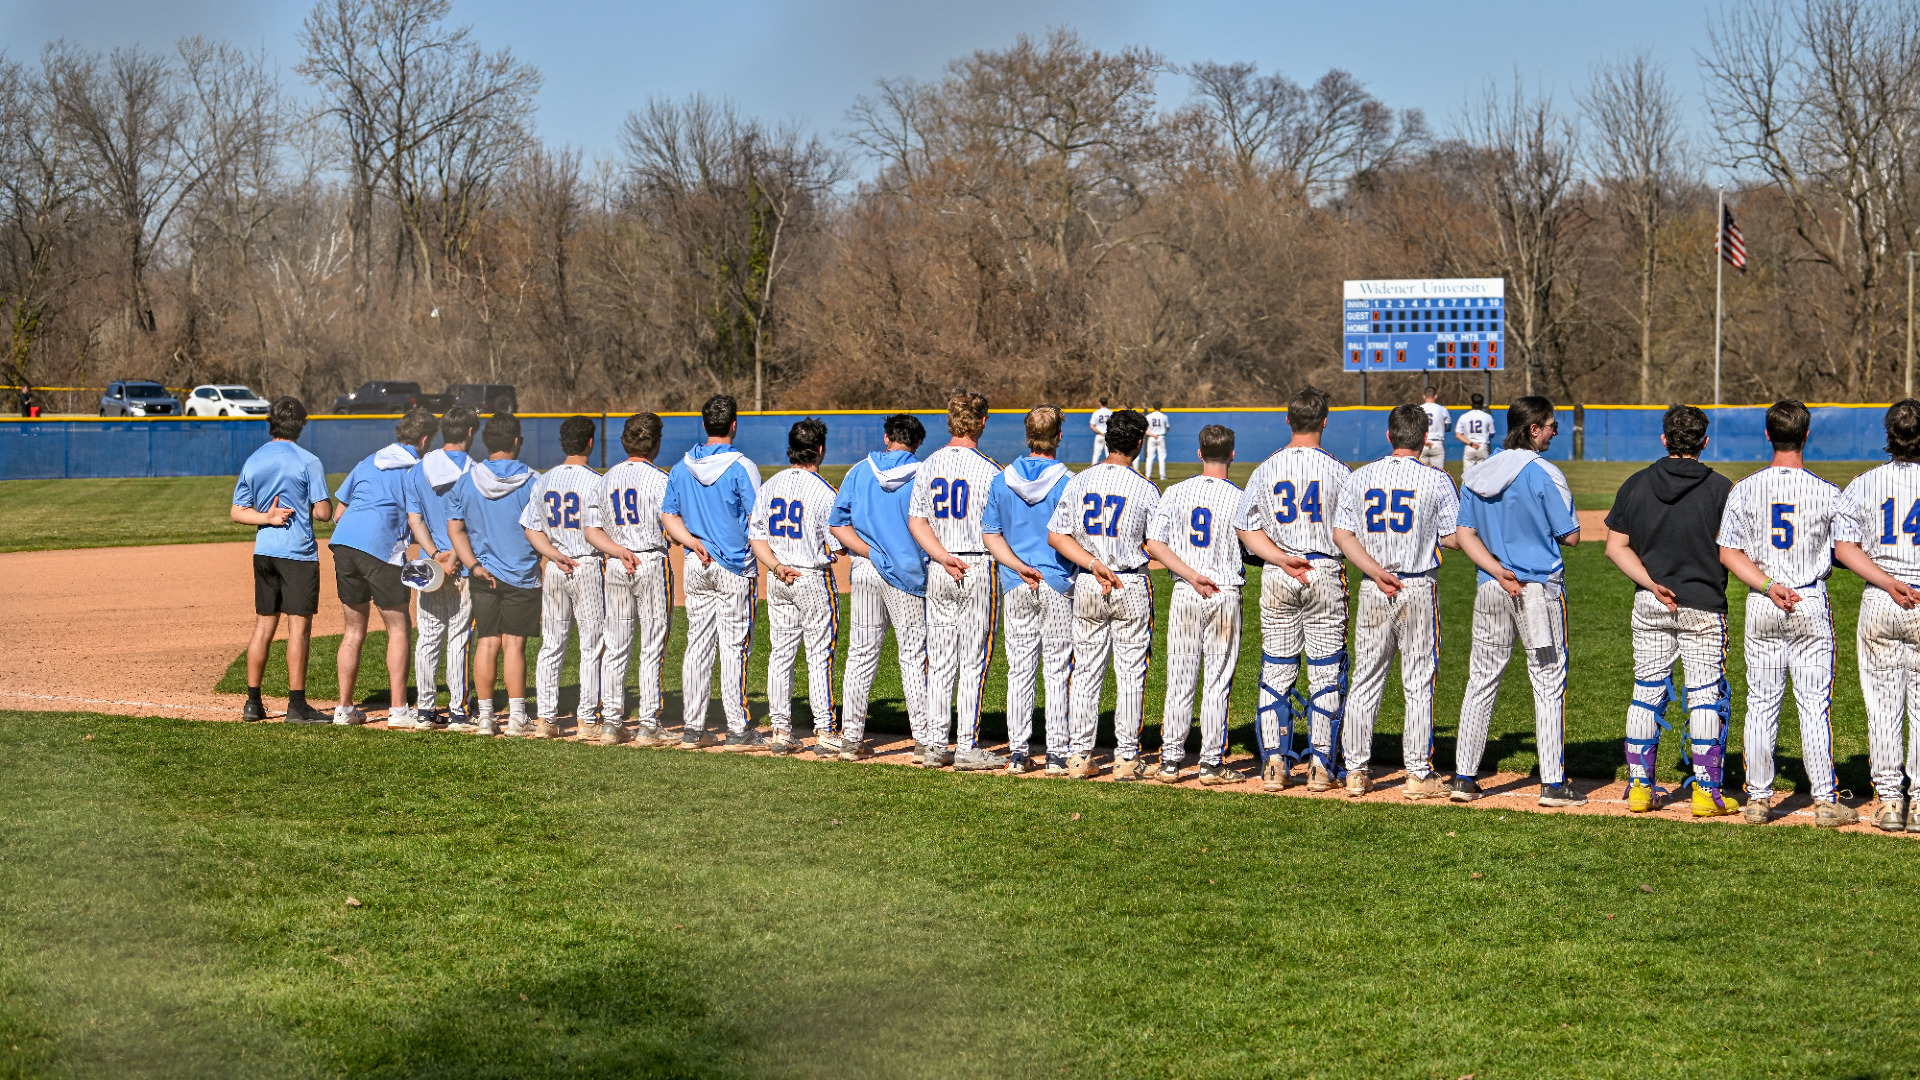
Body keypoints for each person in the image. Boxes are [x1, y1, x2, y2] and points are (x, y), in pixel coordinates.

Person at [1718, 401, 1862, 826]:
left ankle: (1758, 800)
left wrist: (1766, 584)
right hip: (1808, 601)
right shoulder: (1828, 492)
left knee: (1762, 704)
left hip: (1763, 599)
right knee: (1813, 705)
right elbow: (1845, 550)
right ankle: (1825, 801)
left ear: (1768, 435)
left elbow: (1729, 552)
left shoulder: (1744, 489)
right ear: (1806, 435)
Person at [1604, 405, 1739, 817]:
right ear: (1705, 442)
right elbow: (1734, 551)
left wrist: (1651, 584)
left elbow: (1615, 547)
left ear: (1664, 439)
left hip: (1650, 602)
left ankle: (1640, 789)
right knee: (1704, 696)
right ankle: (1707, 794)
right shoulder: (1722, 488)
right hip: (1703, 604)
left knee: (1646, 692)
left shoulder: (1636, 483)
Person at [1450, 396, 1585, 807]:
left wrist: (1496, 569)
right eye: (1551, 425)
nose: (1555, 432)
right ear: (1533, 429)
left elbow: (1465, 534)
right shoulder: (1544, 472)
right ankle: (1552, 783)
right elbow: (1571, 536)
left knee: (1481, 679)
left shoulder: (1478, 472)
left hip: (1491, 585)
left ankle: (1463, 778)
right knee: (1548, 682)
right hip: (1537, 590)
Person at [1332, 403, 1461, 800]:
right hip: (1416, 588)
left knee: (1366, 679)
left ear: (1389, 435)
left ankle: (1355, 771)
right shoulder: (1437, 479)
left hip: (1374, 586)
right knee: (1418, 682)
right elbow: (1453, 537)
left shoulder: (1360, 476)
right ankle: (1418, 774)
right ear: (1425, 439)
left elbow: (1342, 535)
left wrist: (1375, 571)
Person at [1235, 386, 1353, 791]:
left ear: (1288, 420)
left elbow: (1246, 528)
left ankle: (1274, 765)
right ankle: (1321, 767)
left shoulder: (1265, 468)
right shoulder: (1339, 470)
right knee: (1326, 673)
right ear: (1325, 421)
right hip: (1323, 569)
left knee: (1277, 669)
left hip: (1278, 572)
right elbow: (1351, 531)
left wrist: (1281, 558)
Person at [1049, 409, 1162, 780]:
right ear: (1139, 443)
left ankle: (1079, 757)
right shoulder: (1145, 488)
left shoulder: (1079, 480)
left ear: (1107, 437)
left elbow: (1056, 536)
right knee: (1130, 674)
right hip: (1129, 583)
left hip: (1088, 580)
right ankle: (1126, 758)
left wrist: (1092, 562)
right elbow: (1156, 544)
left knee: (1085, 671)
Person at [1832, 400, 1920, 831]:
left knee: (1883, 706)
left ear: (1889, 436)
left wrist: (1888, 581)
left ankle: (1888, 802)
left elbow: (1844, 549)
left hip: (1882, 600)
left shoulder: (1864, 484)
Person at [1149, 425, 1252, 785]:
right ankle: (1210, 764)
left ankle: (1170, 762)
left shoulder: (1176, 492)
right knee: (1217, 682)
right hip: (1224, 592)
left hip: (1186, 591)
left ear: (1199, 453)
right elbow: (1252, 549)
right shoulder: (1240, 498)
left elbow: (1155, 544)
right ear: (1232, 455)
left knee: (1180, 678)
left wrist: (1191, 575)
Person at [661, 394, 763, 751]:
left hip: (696, 561)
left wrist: (691, 540)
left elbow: (668, 515)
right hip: (734, 566)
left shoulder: (681, 466)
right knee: (734, 648)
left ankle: (693, 729)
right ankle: (738, 729)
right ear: (734, 425)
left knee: (698, 645)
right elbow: (758, 519)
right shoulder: (742, 466)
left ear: (704, 425)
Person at [910, 391, 1005, 771]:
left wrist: (941, 557)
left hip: (940, 566)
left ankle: (935, 744)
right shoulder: (991, 470)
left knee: (940, 659)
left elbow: (917, 522)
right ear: (982, 422)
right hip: (978, 565)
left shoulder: (928, 464)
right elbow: (999, 529)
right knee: (973, 661)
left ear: (949, 421)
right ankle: (966, 745)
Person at [830, 414, 931, 761]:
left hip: (865, 569)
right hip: (908, 574)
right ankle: (923, 740)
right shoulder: (923, 474)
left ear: (887, 438)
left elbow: (837, 524)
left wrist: (869, 552)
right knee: (914, 656)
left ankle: (851, 739)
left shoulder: (859, 471)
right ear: (917, 443)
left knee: (861, 653)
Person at [982, 405, 1075, 774]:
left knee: (1019, 669)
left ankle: (1018, 753)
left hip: (1016, 582)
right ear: (1059, 436)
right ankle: (1057, 753)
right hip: (1056, 582)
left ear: (1027, 435)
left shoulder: (1002, 479)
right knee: (1057, 669)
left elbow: (991, 534)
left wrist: (1018, 566)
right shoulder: (1069, 482)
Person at [230, 396, 333, 725]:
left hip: (264, 551)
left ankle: (252, 703)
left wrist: (267, 517)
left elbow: (237, 511)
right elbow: (323, 512)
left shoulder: (254, 460)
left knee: (264, 625)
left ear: (271, 423)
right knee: (298, 629)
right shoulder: (308, 461)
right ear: (301, 425)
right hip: (297, 554)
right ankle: (297, 706)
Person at [330, 407, 436, 727]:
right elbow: (422, 519)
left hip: (343, 544)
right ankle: (399, 710)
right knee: (399, 627)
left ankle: (344, 709)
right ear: (424, 440)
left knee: (353, 630)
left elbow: (338, 514)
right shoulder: (418, 470)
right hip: (381, 550)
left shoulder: (368, 461)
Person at [749, 418, 844, 756]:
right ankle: (825, 731)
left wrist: (776, 566)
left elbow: (757, 538)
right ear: (820, 449)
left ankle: (781, 731)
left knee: (781, 653)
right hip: (811, 578)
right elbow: (839, 545)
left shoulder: (770, 485)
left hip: (778, 576)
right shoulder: (824, 491)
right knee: (819, 655)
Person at [446, 410, 541, 736]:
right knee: (514, 646)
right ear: (516, 441)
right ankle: (517, 718)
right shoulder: (534, 481)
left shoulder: (466, 480)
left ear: (486, 441)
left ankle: (486, 718)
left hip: (482, 575)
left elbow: (455, 530)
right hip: (522, 573)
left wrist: (473, 565)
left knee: (486, 642)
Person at [586, 412, 672, 746]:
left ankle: (611, 723)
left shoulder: (605, 479)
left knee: (616, 645)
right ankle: (648, 724)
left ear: (625, 442)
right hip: (650, 561)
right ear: (656, 443)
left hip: (617, 563)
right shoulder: (661, 480)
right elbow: (671, 530)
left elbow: (592, 531)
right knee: (652, 645)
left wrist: (618, 550)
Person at [521, 416, 607, 740]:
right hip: (587, 565)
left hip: (556, 567)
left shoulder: (543, 481)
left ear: (563, 443)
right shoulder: (597, 482)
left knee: (552, 644)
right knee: (592, 645)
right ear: (590, 443)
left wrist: (554, 555)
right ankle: (587, 720)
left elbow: (531, 529)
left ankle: (546, 719)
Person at [405, 405, 479, 729]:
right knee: (459, 636)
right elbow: (473, 525)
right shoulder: (476, 473)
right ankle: (458, 712)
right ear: (470, 432)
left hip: (430, 567)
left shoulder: (417, 470)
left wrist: (435, 554)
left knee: (429, 636)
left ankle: (425, 710)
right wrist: (455, 556)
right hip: (462, 565)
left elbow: (414, 520)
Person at [1455, 392, 1495, 472]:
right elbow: (1492, 433)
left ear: (1471, 402)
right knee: (1484, 476)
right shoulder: (1487, 416)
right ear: (1482, 403)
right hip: (1483, 447)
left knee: (1467, 476)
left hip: (1470, 446)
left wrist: (1471, 443)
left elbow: (1458, 435)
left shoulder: (1464, 416)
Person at [1419, 386, 1450, 471]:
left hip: (1423, 443)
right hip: (1437, 443)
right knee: (1438, 474)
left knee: (1421, 474)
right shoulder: (1442, 409)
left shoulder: (1418, 409)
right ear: (1435, 396)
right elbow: (1448, 427)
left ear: (1424, 396)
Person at [1140, 404, 1171, 480]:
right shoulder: (1164, 416)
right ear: (1161, 407)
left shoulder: (1148, 416)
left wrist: (1153, 434)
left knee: (1150, 457)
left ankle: (1148, 475)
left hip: (1152, 437)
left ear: (1153, 407)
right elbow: (1167, 428)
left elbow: (1145, 429)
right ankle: (1163, 476)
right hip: (1161, 436)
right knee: (1162, 457)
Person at [1088, 397, 1113, 464]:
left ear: (1100, 403)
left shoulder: (1096, 413)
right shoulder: (1111, 412)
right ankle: (1110, 469)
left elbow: (1092, 426)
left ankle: (1093, 469)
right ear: (1107, 403)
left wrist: (1100, 433)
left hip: (1099, 435)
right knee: (1109, 454)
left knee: (1096, 454)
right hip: (1108, 436)